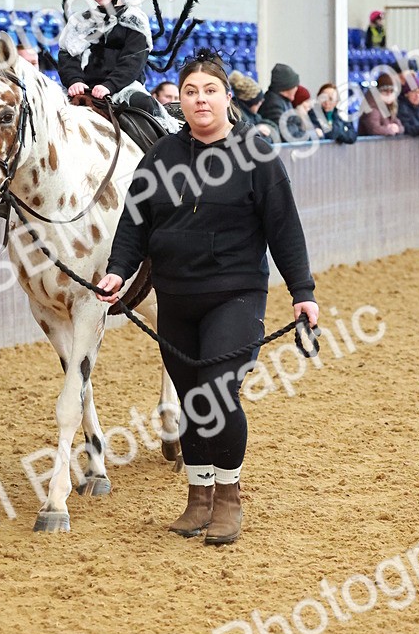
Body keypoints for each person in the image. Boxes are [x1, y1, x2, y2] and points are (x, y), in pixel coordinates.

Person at [96, 51, 318, 547]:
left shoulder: (256, 155)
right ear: (181, 99)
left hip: (236, 296)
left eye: (209, 90)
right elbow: (134, 224)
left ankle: (228, 497)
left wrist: (303, 293)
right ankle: (198, 498)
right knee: (194, 399)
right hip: (175, 296)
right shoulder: (159, 158)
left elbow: (285, 229)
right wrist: (117, 272)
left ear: (226, 98)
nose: (200, 99)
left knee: (218, 393)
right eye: (191, 91)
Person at [57, 0, 162, 118]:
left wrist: (110, 85)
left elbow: (132, 61)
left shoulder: (135, 20)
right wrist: (74, 80)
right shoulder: (80, 21)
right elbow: (68, 56)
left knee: (145, 106)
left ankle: (159, 144)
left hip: (123, 88)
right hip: (84, 89)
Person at [258, 63, 306, 141]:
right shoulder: (273, 103)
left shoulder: (285, 101)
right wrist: (296, 128)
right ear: (287, 86)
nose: (297, 89)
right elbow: (283, 133)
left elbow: (297, 124)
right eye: (295, 86)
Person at [227, 71, 276, 139]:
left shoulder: (252, 114)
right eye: (259, 101)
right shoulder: (238, 116)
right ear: (250, 102)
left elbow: (264, 123)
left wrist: (267, 127)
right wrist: (258, 131)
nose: (261, 103)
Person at [357, 71, 405, 137]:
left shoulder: (388, 107)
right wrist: (391, 130)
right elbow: (374, 129)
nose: (389, 95)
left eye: (392, 92)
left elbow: (400, 126)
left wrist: (397, 128)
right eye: (385, 92)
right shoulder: (371, 109)